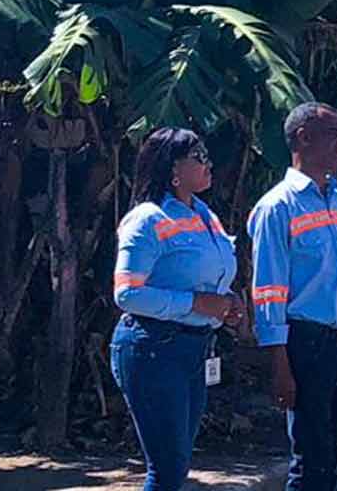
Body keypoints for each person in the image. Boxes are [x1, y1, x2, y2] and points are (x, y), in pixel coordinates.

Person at [249, 103, 337, 491]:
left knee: (329, 458)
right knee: (309, 460)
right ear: (304, 138)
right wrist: (279, 363)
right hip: (307, 344)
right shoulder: (277, 207)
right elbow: (269, 290)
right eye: (334, 135)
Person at [110, 129, 245, 491]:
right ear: (173, 169)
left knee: (179, 464)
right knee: (167, 469)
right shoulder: (147, 219)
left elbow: (207, 276)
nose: (208, 163)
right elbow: (127, 293)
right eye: (198, 157)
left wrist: (228, 301)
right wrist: (197, 304)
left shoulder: (205, 215)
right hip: (152, 348)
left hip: (194, 347)